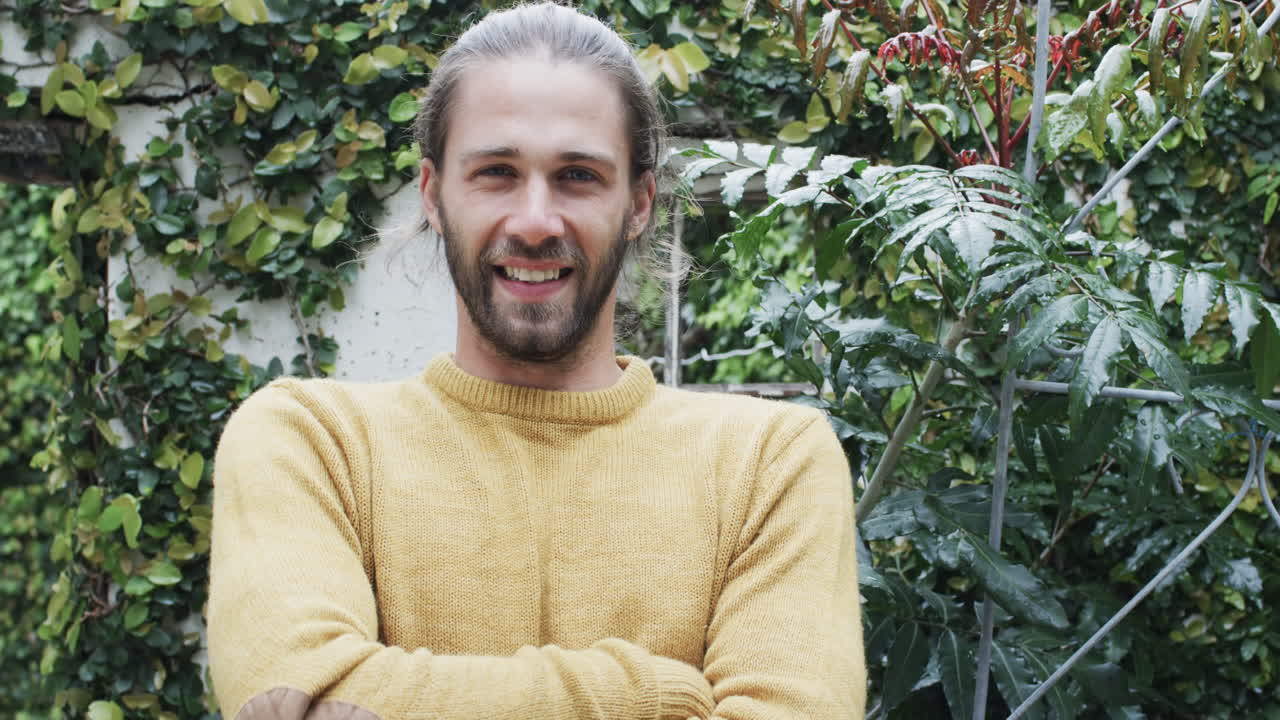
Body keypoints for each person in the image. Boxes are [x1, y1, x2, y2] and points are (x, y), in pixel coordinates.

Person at [207, 3, 866, 719]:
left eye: (578, 175)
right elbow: (296, 700)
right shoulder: (313, 442)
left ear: (640, 203)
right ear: (433, 195)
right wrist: (651, 696)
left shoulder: (769, 465)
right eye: (496, 172)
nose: (534, 222)